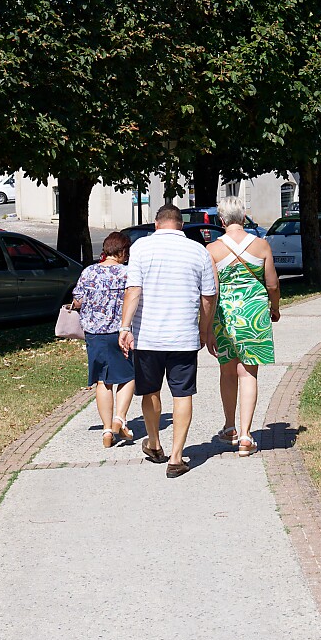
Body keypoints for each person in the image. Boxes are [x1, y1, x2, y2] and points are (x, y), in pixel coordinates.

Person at [118, 204, 218, 478]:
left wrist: (125, 327)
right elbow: (208, 296)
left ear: (156, 224)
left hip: (148, 336)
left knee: (150, 391)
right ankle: (176, 457)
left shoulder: (141, 247)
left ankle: (154, 443)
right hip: (183, 336)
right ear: (181, 226)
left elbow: (133, 290)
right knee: (182, 394)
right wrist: (204, 328)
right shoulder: (198, 251)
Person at [207, 196, 279, 456]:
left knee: (227, 372)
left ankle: (229, 427)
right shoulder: (261, 245)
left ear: (221, 220)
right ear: (244, 216)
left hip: (225, 315)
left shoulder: (212, 250)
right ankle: (246, 436)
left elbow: (211, 291)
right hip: (254, 314)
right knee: (249, 374)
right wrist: (275, 308)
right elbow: (272, 284)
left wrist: (208, 327)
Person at [70, 231, 136, 449]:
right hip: (120, 332)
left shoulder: (89, 272)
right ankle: (120, 418)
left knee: (102, 381)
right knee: (128, 376)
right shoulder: (127, 273)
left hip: (94, 334)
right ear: (122, 251)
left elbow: (77, 300)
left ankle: (107, 430)